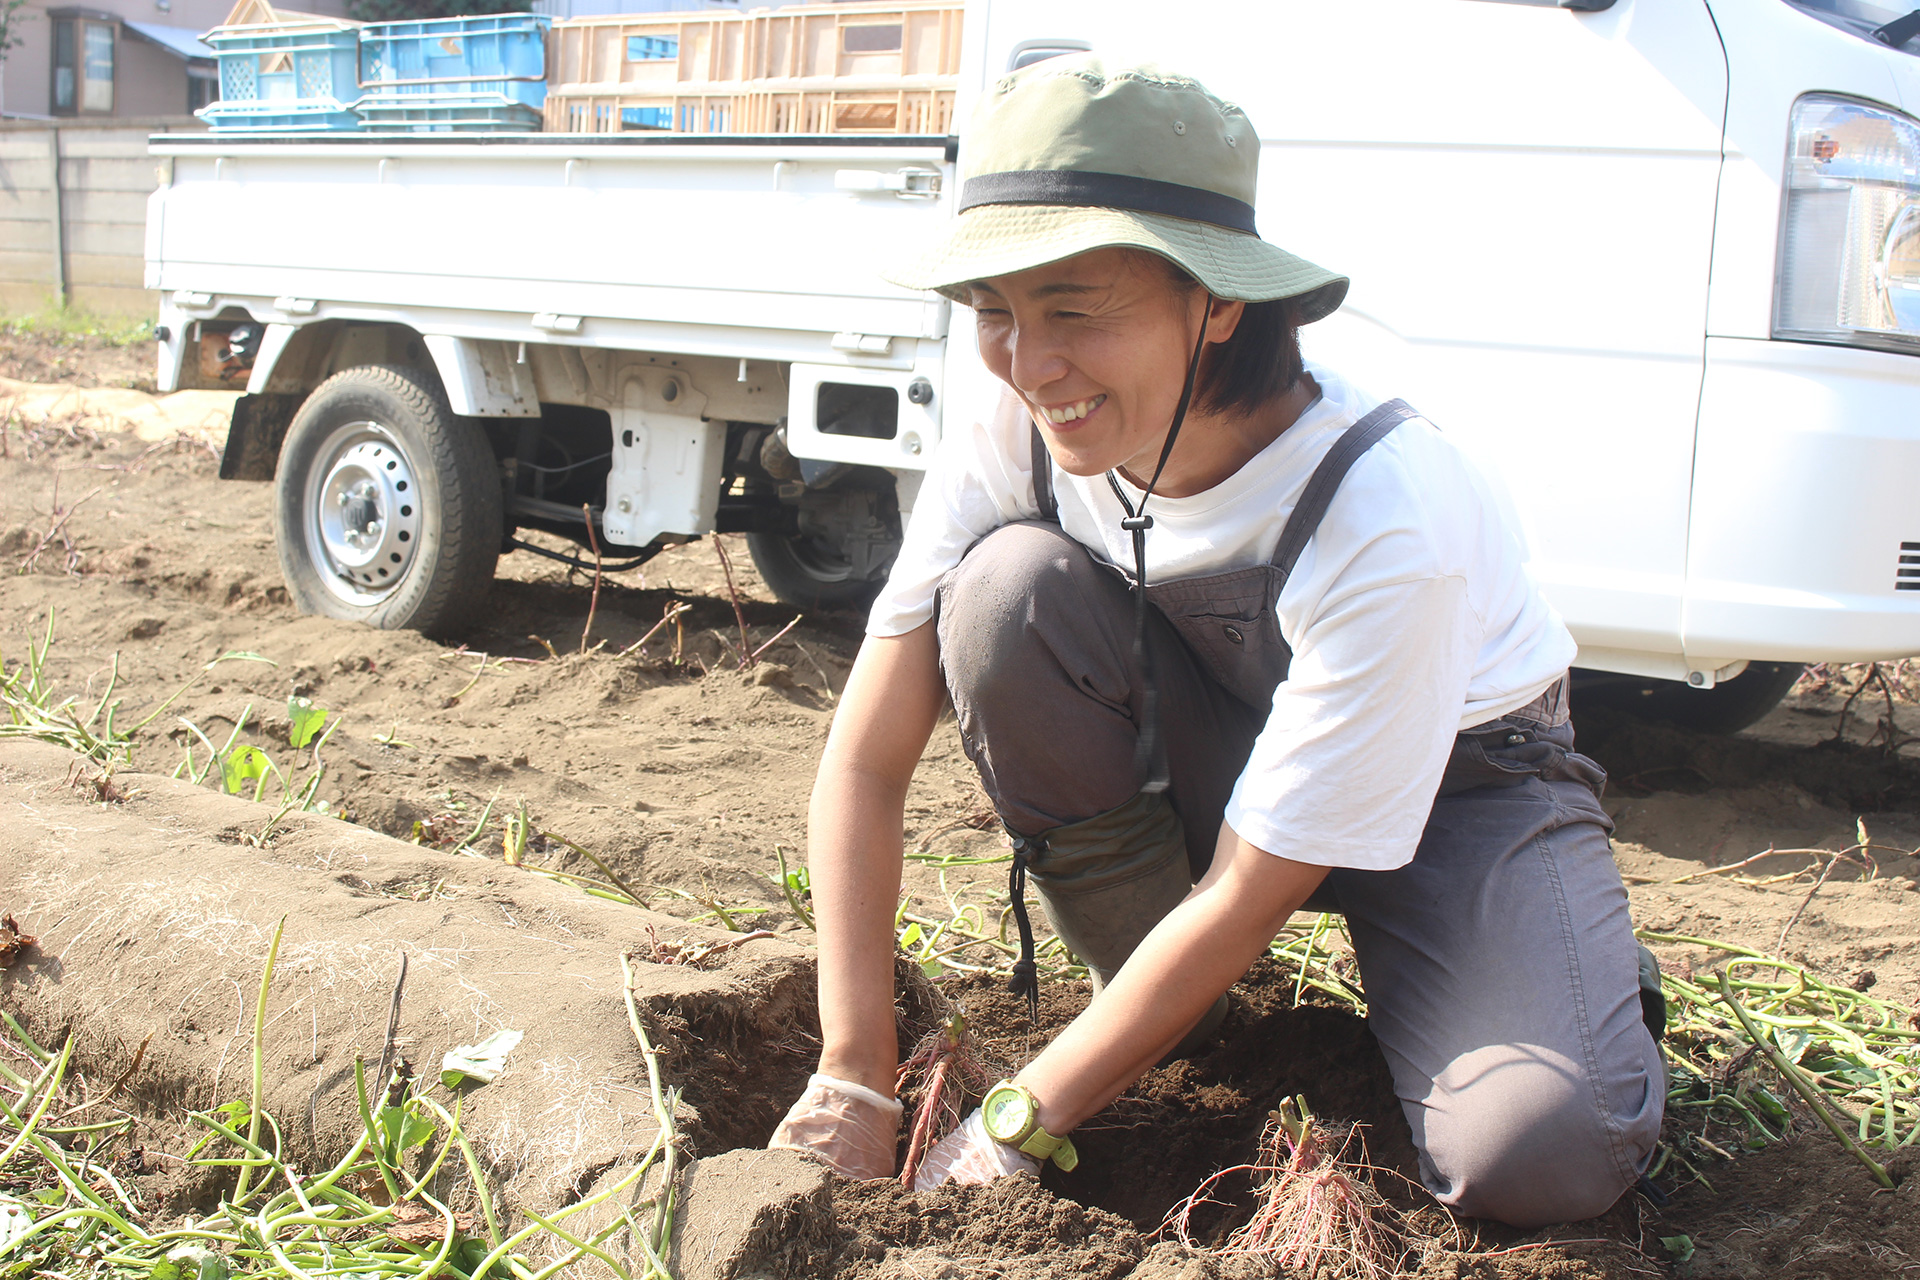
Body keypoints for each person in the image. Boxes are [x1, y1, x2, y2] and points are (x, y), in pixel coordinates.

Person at [767, 55, 1664, 1229]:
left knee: (1542, 1153)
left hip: (1464, 787)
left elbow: (1248, 890)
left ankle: (1569, 978)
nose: (1033, 365)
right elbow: (868, 757)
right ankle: (1181, 1010)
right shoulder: (1015, 425)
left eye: (1076, 310)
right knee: (1003, 597)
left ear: (1218, 300)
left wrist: (1014, 1121)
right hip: (1223, 746)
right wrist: (851, 1065)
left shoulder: (1385, 512)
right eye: (996, 313)